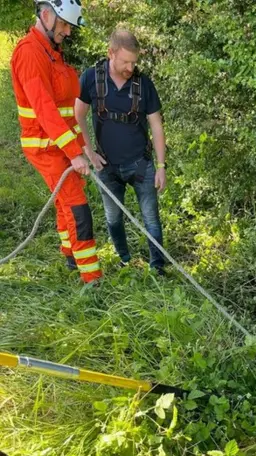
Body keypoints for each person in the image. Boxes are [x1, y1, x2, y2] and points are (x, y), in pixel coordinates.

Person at [10, 0, 102, 284]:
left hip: (61, 145)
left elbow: (66, 111)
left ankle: (70, 255)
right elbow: (45, 110)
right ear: (46, 15)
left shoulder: (53, 53)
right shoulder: (30, 54)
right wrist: (75, 152)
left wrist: (81, 148)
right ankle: (92, 279)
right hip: (45, 147)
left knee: (67, 202)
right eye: (64, 25)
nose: (68, 32)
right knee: (77, 207)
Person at [75, 29, 167, 275]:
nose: (130, 67)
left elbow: (156, 126)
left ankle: (158, 267)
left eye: (134, 62)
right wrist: (88, 152)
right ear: (111, 53)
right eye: (125, 61)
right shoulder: (91, 78)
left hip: (140, 165)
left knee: (151, 218)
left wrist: (160, 166)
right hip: (106, 166)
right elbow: (78, 115)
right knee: (113, 218)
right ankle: (124, 259)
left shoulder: (143, 84)